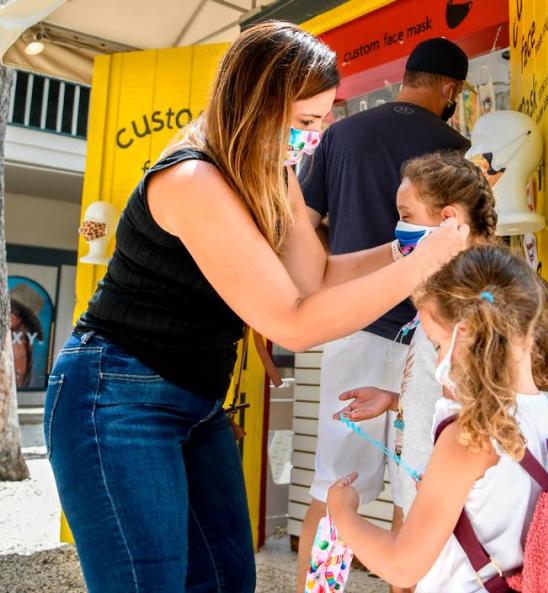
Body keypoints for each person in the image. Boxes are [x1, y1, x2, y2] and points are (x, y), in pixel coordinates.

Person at [43, 23, 467, 593]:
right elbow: (293, 314)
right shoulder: (194, 176)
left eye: (320, 122)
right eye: (306, 123)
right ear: (258, 105)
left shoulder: (277, 167)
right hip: (121, 391)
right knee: (333, 492)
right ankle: (319, 589)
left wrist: (404, 247)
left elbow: (311, 277)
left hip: (203, 395)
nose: (314, 138)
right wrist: (420, 265)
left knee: (243, 565)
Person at [296, 36, 472, 590]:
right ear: (450, 89)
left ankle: (321, 589)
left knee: (335, 484)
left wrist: (323, 277)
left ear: (406, 76)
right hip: (437, 330)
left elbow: (301, 226)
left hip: (355, 323)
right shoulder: (455, 146)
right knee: (417, 483)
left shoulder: (340, 135)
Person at [327, 246, 548, 592]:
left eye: (437, 344)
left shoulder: (468, 437)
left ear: (467, 333)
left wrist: (344, 514)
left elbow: (402, 566)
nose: (438, 357)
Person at [329, 151, 499, 525]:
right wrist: (394, 400)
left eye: (406, 217)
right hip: (426, 500)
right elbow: (445, 397)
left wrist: (346, 519)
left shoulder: (468, 311)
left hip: (448, 513)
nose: (397, 227)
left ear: (448, 220)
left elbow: (474, 417)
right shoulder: (443, 300)